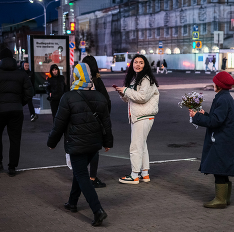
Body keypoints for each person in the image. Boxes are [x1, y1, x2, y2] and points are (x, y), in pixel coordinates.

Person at [47, 62, 113, 227]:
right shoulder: (99, 96)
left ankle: (98, 210)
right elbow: (106, 123)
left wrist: (52, 142)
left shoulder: (68, 97)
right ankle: (72, 202)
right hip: (94, 144)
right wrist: (107, 142)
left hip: (76, 144)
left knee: (82, 176)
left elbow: (59, 124)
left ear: (75, 76)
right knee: (80, 171)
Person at [189, 71, 234, 209]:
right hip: (224, 139)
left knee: (219, 169)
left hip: (221, 140)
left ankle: (220, 199)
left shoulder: (222, 99)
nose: (213, 84)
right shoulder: (225, 97)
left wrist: (197, 117)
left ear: (219, 85)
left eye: (215, 82)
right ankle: (225, 198)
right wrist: (205, 114)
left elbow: (215, 122)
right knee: (222, 169)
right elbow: (218, 118)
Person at [0, 48, 34, 177]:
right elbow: (30, 92)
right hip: (16, 110)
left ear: (0, 59)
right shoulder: (21, 74)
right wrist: (20, 102)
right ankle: (12, 167)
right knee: (15, 139)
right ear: (12, 58)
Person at [115, 54, 159, 184]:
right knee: (142, 145)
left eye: (141, 62)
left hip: (143, 116)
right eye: (135, 62)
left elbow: (142, 97)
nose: (137, 65)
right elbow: (132, 98)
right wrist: (123, 93)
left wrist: (127, 90)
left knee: (135, 146)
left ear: (145, 65)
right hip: (140, 116)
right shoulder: (137, 79)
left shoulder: (146, 79)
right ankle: (144, 173)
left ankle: (134, 175)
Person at [82, 55, 111, 188]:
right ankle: (92, 178)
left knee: (82, 149)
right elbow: (106, 102)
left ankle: (80, 176)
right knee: (94, 150)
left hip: (80, 121)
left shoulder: (78, 82)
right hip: (95, 121)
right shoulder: (97, 81)